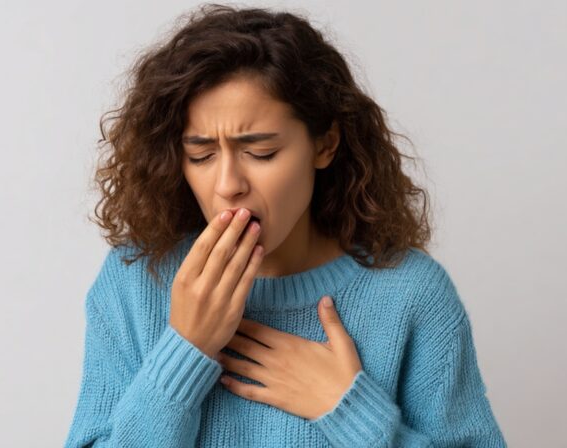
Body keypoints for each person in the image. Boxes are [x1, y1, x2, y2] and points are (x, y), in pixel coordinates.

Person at [64, 4, 507, 447]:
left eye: (260, 153)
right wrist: (183, 352)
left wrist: (349, 411)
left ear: (325, 144)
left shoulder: (412, 294)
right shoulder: (135, 280)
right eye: (200, 155)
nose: (227, 186)